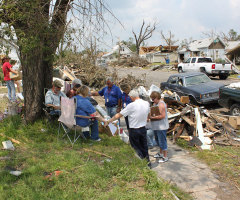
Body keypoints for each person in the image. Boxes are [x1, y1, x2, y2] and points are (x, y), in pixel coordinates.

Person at [105, 89, 150, 166]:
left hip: (134, 130)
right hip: (143, 128)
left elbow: (119, 115)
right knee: (144, 146)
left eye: (130, 97)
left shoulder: (131, 105)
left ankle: (141, 164)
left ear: (132, 97)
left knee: (136, 148)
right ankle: (148, 163)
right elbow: (148, 113)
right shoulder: (146, 103)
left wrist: (109, 121)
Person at [149, 91, 169, 163]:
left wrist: (152, 117)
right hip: (157, 127)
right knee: (158, 141)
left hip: (162, 127)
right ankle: (160, 153)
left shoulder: (161, 105)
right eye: (151, 99)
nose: (152, 100)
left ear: (157, 97)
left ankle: (165, 157)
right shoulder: (156, 104)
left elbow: (162, 116)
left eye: (153, 99)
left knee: (162, 141)